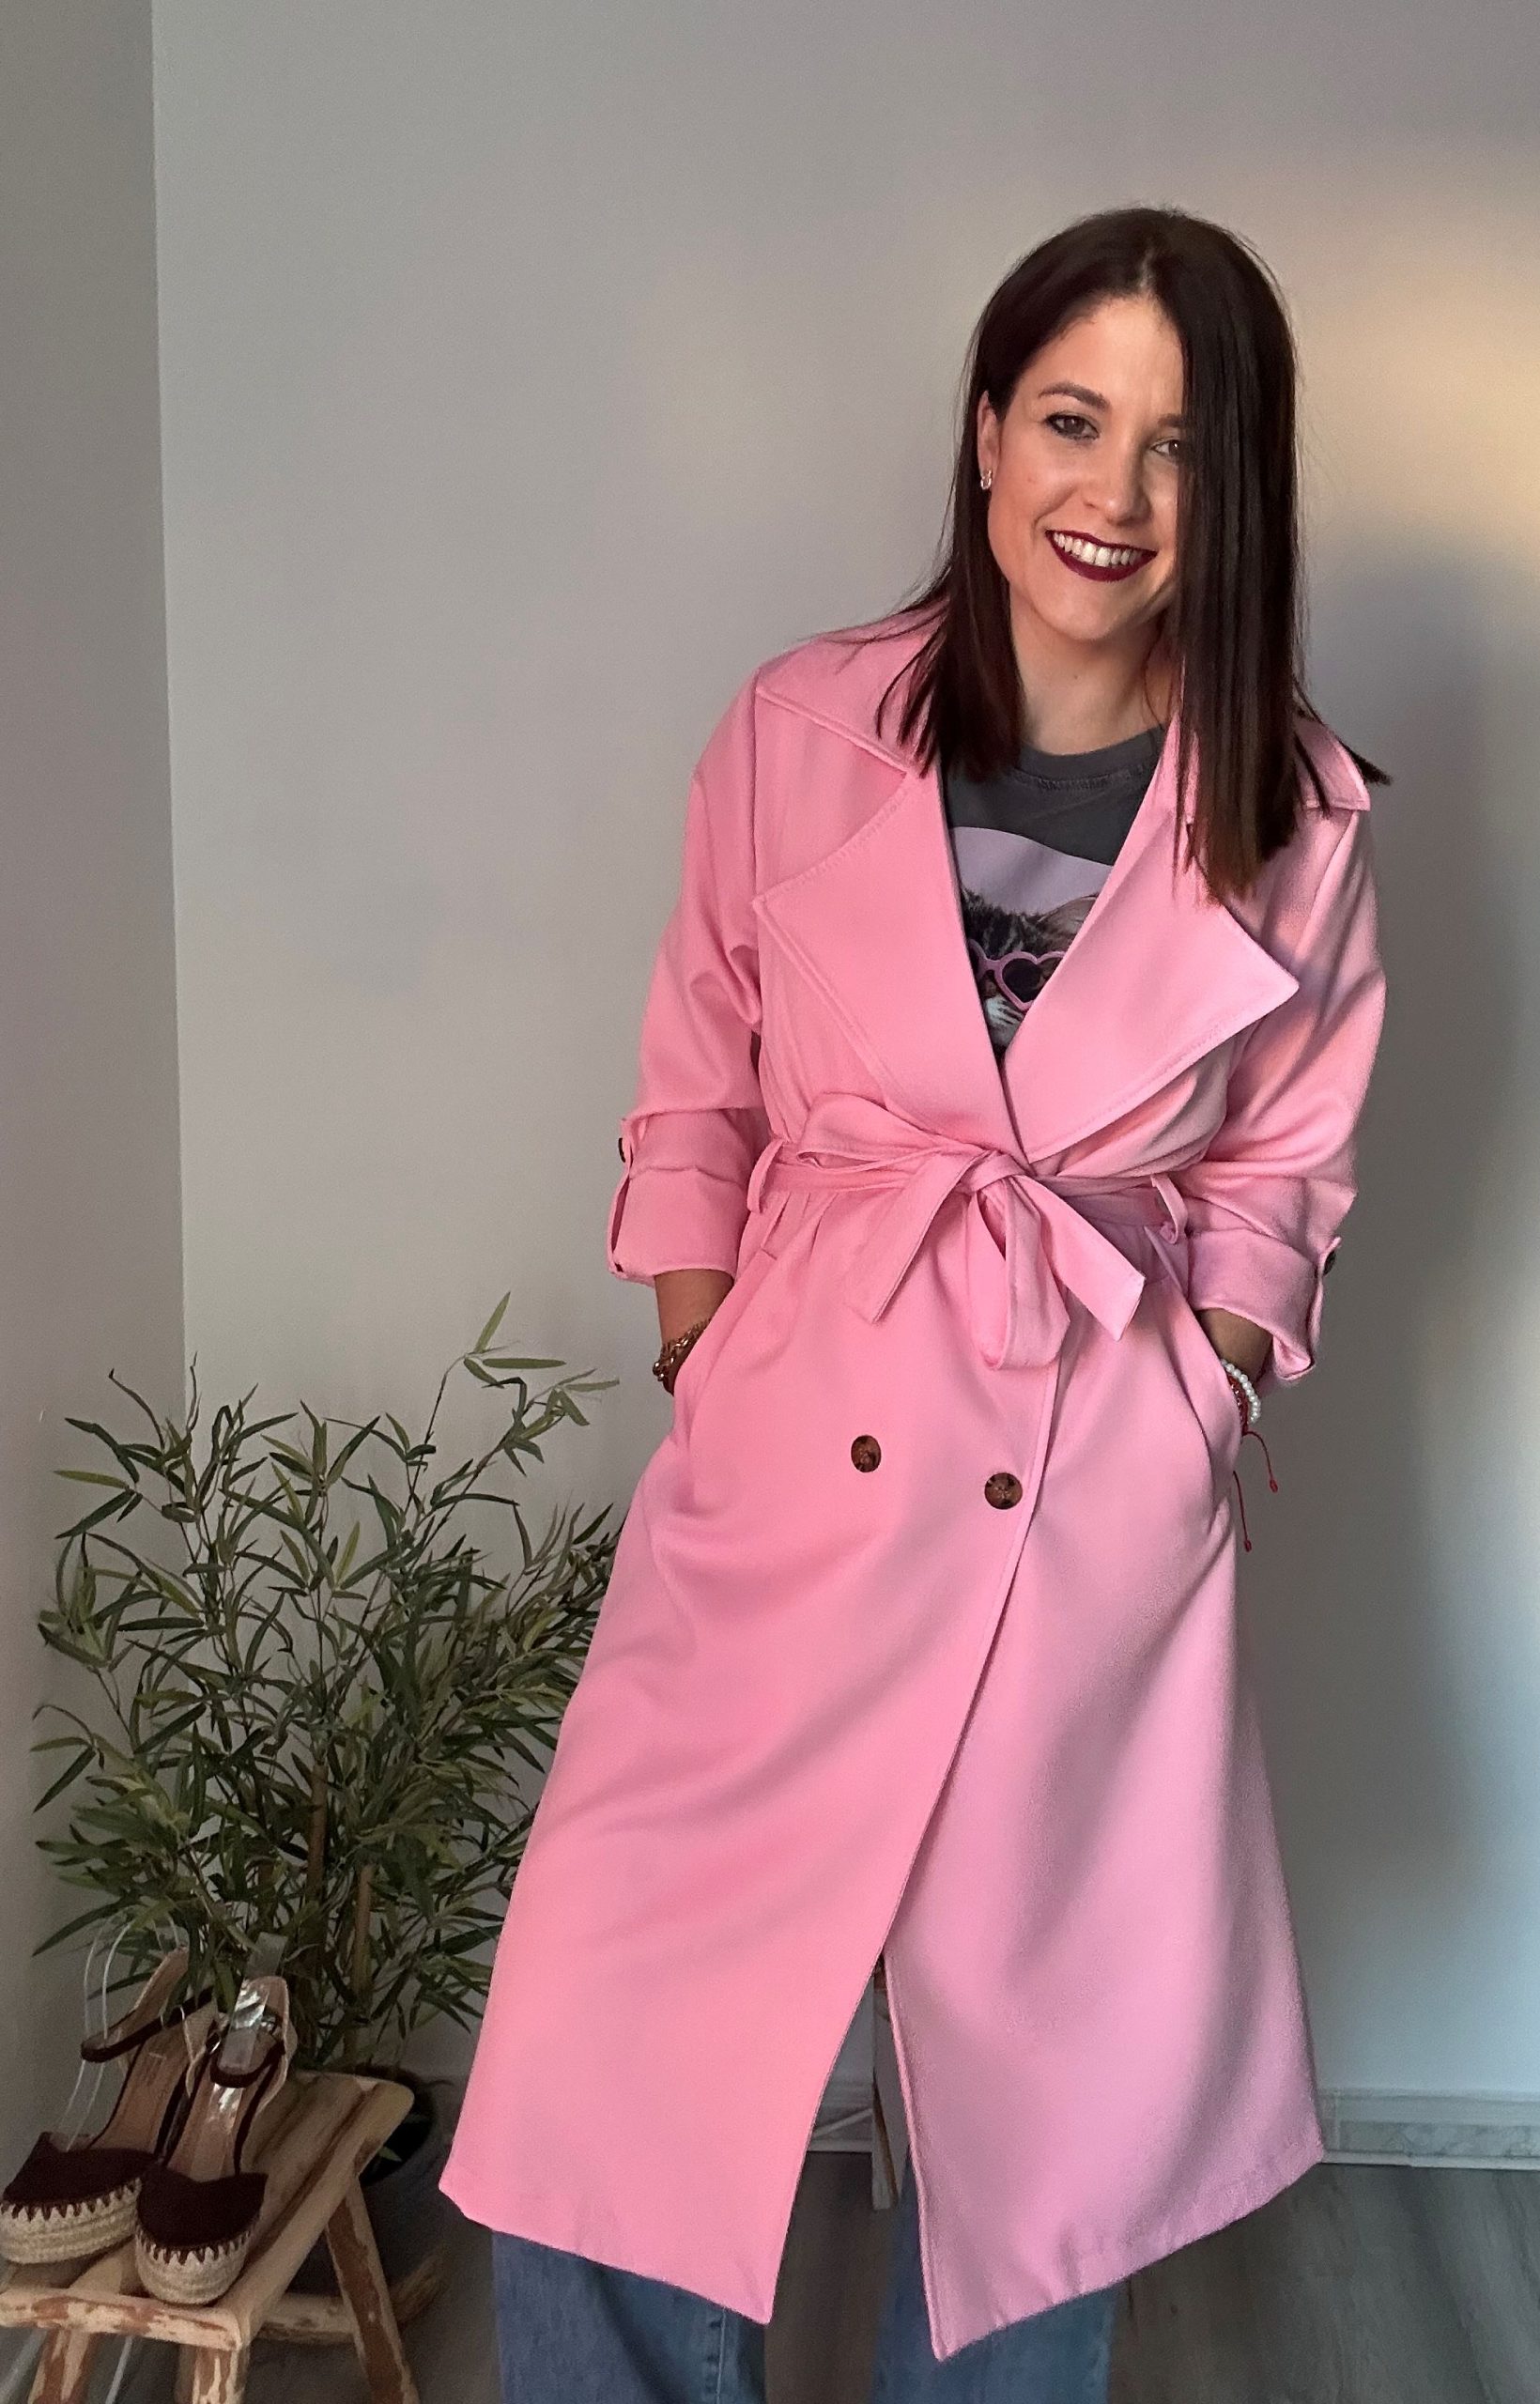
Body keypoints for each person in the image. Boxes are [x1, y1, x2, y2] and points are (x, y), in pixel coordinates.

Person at [440, 204, 1390, 2404]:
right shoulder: (803, 729)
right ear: (983, 433)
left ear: (1239, 490)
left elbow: (1284, 1169)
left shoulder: (1297, 812)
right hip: (795, 1464)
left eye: (1181, 445)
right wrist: (711, 1349)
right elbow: (697, 1074)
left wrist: (1201, 1397)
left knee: (1049, 2100)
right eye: (1072, 418)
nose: (1116, 491)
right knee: (610, 2039)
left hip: (1083, 1494)